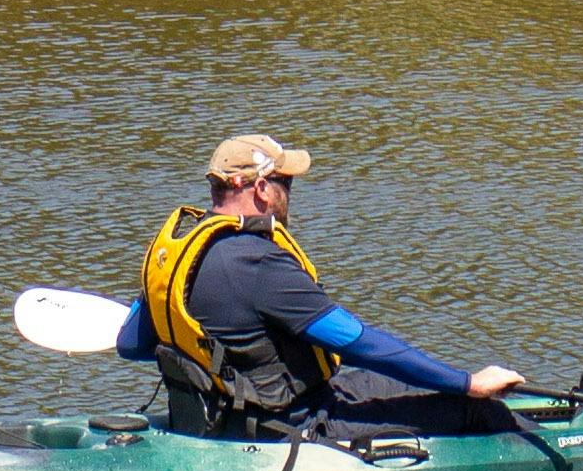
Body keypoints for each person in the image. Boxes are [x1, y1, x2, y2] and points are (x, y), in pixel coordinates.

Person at [119, 133, 529, 437]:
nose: (290, 195)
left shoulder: (175, 255)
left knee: (409, 385)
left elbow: (132, 345)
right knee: (477, 411)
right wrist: (468, 383)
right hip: (294, 423)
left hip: (216, 415)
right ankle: (568, 442)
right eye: (286, 184)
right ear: (260, 187)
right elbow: (356, 343)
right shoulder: (258, 262)